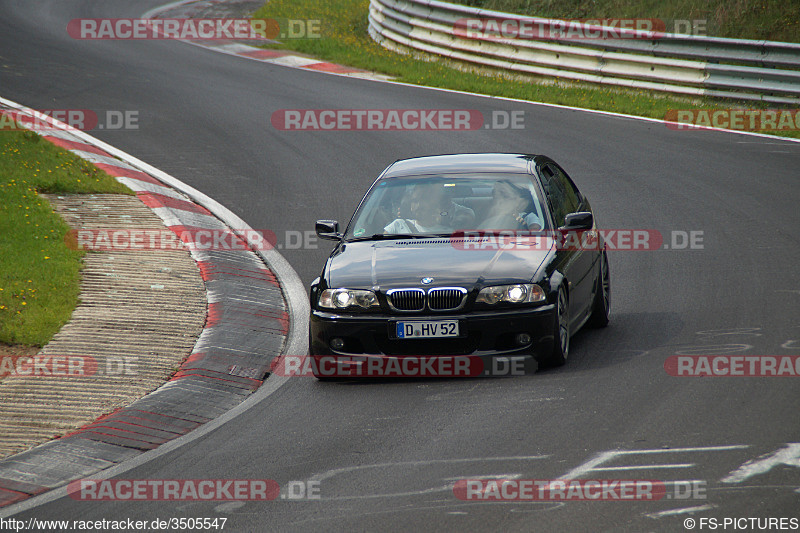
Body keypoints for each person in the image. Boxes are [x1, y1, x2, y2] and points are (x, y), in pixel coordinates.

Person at [384, 182, 474, 234]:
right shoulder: (397, 226)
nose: (418, 205)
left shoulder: (447, 233)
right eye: (415, 201)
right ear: (411, 205)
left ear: (435, 204)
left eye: (424, 200)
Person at [478, 180, 543, 231]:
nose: (500, 200)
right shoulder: (488, 219)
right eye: (494, 195)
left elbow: (535, 233)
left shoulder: (528, 217)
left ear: (518, 201)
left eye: (505, 196)